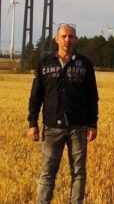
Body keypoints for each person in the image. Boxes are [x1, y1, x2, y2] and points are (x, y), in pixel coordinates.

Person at [27, 24, 99, 204]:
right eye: (64, 36)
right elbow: (36, 96)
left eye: (71, 36)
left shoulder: (84, 65)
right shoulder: (44, 64)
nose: (68, 40)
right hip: (52, 127)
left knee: (78, 173)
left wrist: (92, 124)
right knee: (48, 173)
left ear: (76, 39)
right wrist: (32, 123)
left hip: (78, 127)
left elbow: (92, 97)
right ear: (57, 39)